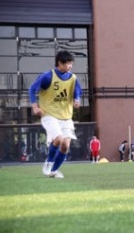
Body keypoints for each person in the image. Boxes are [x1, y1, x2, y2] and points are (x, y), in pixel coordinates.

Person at [29, 50, 82, 178]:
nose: (70, 66)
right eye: (68, 63)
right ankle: (49, 162)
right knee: (59, 139)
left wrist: (77, 100)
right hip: (49, 115)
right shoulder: (47, 76)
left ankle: (54, 171)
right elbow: (32, 89)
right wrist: (35, 106)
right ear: (60, 63)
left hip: (66, 117)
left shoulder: (73, 78)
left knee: (65, 145)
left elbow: (77, 91)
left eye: (71, 63)